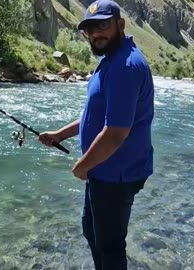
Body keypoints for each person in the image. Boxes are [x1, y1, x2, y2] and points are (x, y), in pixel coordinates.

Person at [38, 0, 154, 269]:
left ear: (120, 24)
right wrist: (60, 135)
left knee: (110, 246)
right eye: (90, 28)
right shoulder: (111, 59)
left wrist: (83, 166)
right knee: (93, 232)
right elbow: (95, 115)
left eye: (102, 25)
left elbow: (114, 133)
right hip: (104, 171)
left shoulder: (125, 66)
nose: (95, 34)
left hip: (115, 174)